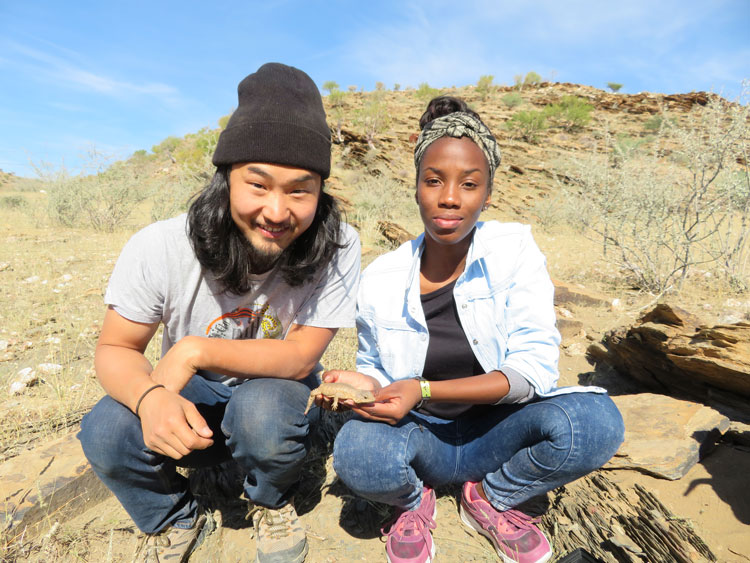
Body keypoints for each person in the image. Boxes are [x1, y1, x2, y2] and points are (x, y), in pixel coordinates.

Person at [77, 62, 360, 563]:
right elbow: (116, 348)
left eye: (300, 189)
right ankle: (175, 516)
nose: (276, 211)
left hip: (273, 394)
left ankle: (270, 499)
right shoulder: (161, 245)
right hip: (193, 396)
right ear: (226, 177)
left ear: (321, 190)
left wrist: (192, 348)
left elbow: (298, 358)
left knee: (264, 414)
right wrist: (147, 400)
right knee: (105, 431)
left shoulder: (338, 246)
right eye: (257, 185)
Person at [324, 96, 624, 563]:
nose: (449, 197)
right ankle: (412, 501)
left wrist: (423, 388)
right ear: (416, 186)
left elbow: (533, 371)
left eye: (469, 184)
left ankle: (490, 496)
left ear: (487, 193)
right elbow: (376, 371)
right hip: (421, 434)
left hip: (496, 431)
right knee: (356, 454)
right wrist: (362, 387)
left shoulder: (515, 251)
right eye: (434, 180)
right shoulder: (380, 276)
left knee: (595, 424)